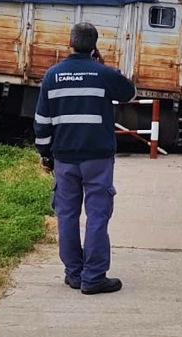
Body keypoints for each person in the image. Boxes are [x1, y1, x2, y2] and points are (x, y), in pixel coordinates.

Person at [34, 23, 136, 295]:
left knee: (66, 215)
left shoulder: (52, 76)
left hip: (64, 158)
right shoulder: (102, 74)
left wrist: (46, 155)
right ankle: (94, 277)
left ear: (69, 42)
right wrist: (101, 64)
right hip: (97, 159)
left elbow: (42, 122)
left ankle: (74, 273)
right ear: (94, 45)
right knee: (97, 215)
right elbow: (129, 92)